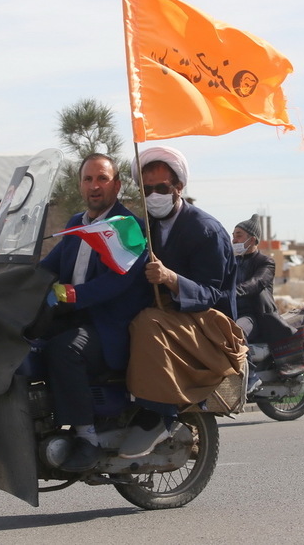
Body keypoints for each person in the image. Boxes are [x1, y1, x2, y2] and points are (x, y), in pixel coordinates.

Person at [121, 145, 239, 458]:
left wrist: (171, 279)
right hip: (172, 316)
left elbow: (214, 295)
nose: (153, 196)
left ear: (179, 188)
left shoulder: (205, 230)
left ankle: (159, 412)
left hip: (211, 325)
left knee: (147, 323)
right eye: (146, 190)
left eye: (161, 188)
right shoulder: (145, 226)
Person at [39, 153, 151, 472]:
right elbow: (51, 265)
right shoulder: (77, 223)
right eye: (88, 179)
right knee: (23, 337)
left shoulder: (128, 227)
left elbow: (117, 282)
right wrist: (15, 279)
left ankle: (88, 438)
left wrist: (71, 295)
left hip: (109, 325)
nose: (94, 186)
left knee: (64, 350)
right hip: (73, 315)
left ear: (116, 184)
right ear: (80, 185)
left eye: (102, 178)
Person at [232, 214, 278, 393]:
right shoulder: (232, 261)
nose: (234, 239)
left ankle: (251, 376)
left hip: (253, 315)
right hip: (233, 311)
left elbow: (256, 283)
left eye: (239, 235)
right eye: (233, 235)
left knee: (236, 331)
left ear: (252, 239)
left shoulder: (266, 262)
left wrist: (233, 292)